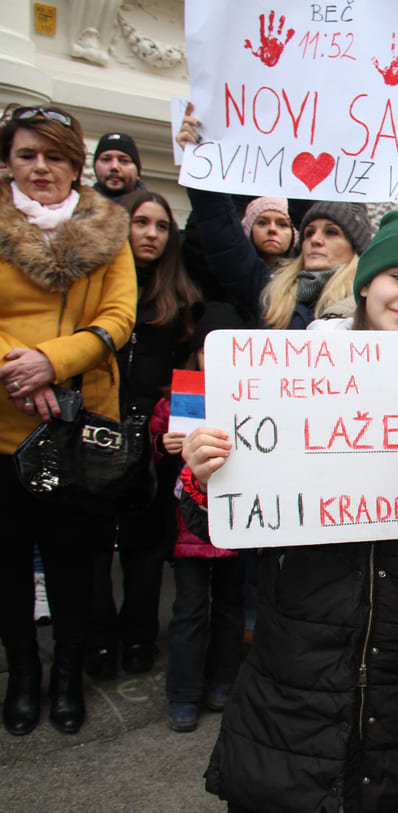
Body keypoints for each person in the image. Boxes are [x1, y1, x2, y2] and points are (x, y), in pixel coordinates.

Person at [181, 208, 398, 812]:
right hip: (292, 670)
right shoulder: (282, 378)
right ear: (367, 280)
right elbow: (224, 529)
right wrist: (203, 476)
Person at [0, 104, 136, 735]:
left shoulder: (110, 228)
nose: (41, 167)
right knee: (6, 563)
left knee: (74, 565)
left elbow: (118, 316)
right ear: (8, 161)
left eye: (55, 156)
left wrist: (52, 362)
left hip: (79, 426)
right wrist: (18, 366)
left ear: (76, 166)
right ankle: (23, 672)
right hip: (3, 419)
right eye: (28, 154)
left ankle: (66, 677)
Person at [175, 104, 398, 329]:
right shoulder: (269, 288)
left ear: (357, 246)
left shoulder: (374, 299)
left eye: (331, 232)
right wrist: (202, 164)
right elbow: (223, 237)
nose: (315, 240)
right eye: (309, 232)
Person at [85, 190, 202, 679]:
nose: (150, 234)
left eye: (160, 226)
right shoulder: (94, 288)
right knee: (91, 546)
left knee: (146, 548)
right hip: (95, 432)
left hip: (153, 440)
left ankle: (138, 637)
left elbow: (189, 379)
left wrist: (179, 430)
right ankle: (97, 641)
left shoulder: (182, 301)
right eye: (140, 222)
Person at [163, 302, 247, 734]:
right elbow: (157, 448)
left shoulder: (250, 398)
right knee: (190, 610)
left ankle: (222, 682)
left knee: (231, 609)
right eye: (206, 350)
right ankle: (182, 693)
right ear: (195, 353)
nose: (213, 361)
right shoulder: (183, 398)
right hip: (189, 532)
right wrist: (164, 442)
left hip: (236, 527)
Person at [240, 196, 296, 267]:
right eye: (262, 223)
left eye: (282, 224)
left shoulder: (307, 275)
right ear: (249, 229)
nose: (272, 229)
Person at [91, 131, 143, 199]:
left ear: (138, 172)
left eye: (124, 161)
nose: (114, 166)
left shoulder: (151, 206)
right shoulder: (76, 205)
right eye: (106, 159)